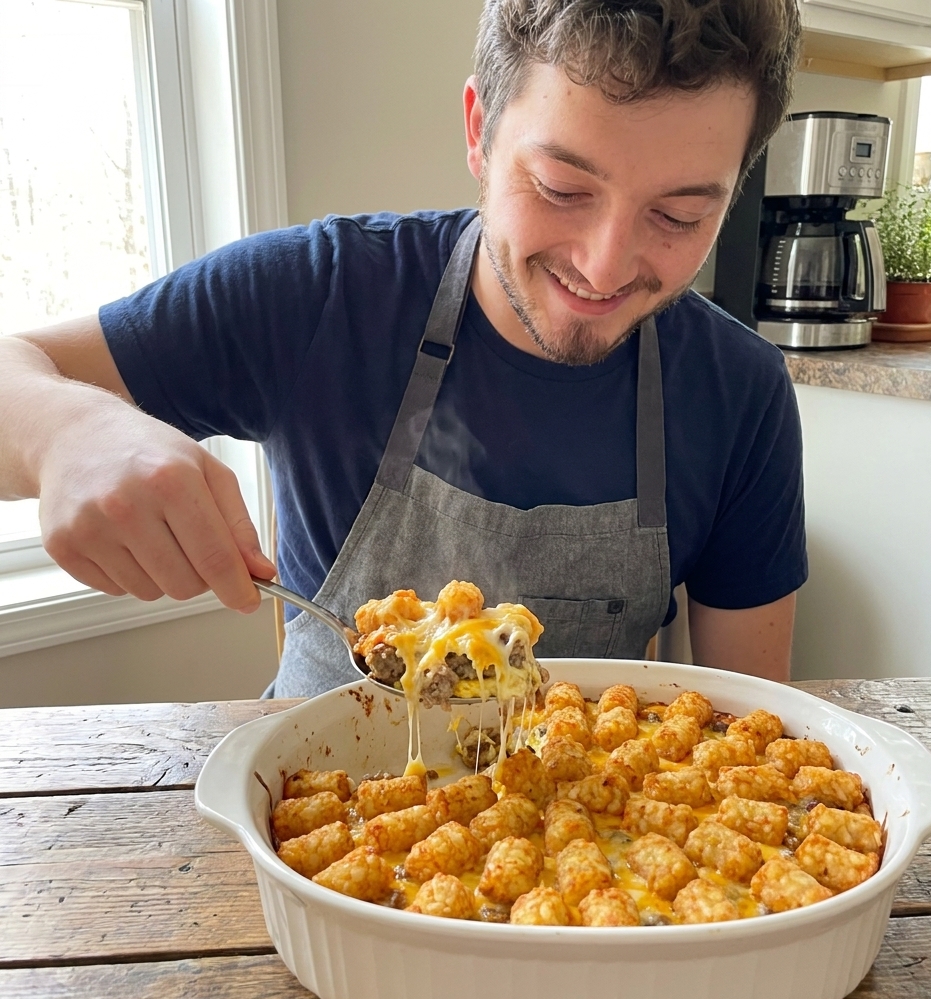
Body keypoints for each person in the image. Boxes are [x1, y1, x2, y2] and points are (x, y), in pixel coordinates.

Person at [0, 0, 806, 697]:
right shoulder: (319, 292)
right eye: (562, 190)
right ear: (479, 133)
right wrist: (66, 431)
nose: (604, 264)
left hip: (595, 860)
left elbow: (753, 733)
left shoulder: (741, 391)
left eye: (679, 216)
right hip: (319, 813)